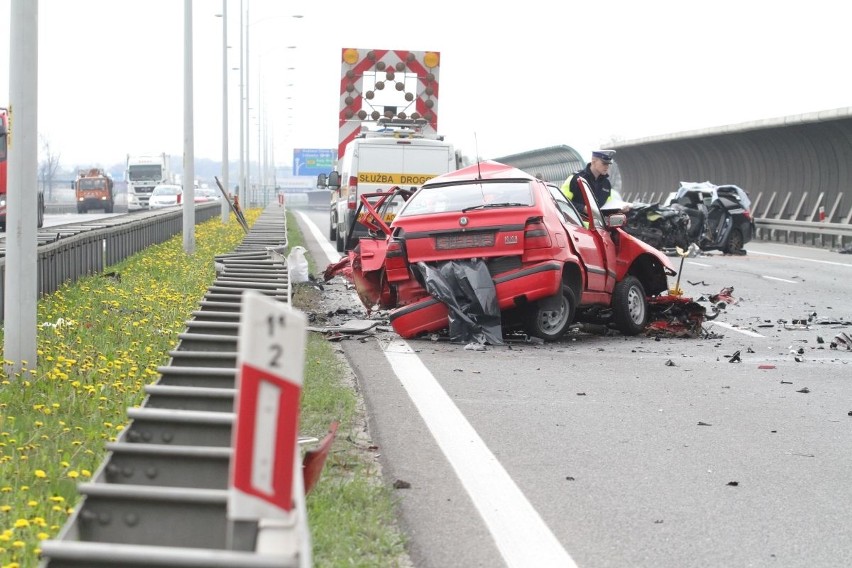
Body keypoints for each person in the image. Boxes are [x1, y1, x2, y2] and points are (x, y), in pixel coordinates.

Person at [561, 149, 626, 214]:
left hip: (599, 224)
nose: (607, 167)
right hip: (576, 223)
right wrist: (583, 208)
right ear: (593, 162)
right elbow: (561, 201)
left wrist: (618, 210)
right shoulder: (575, 179)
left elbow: (607, 207)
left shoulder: (606, 184)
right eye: (604, 163)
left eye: (608, 164)